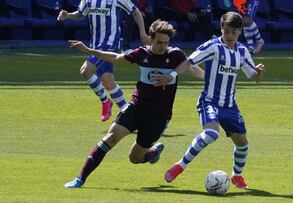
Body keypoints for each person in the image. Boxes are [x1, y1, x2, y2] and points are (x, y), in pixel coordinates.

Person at [63, 19, 205, 188]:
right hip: (135, 108)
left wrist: (212, 79)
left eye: (166, 43)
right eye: (159, 42)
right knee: (110, 138)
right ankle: (80, 179)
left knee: (134, 158)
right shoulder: (141, 54)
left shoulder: (175, 55)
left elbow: (192, 69)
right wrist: (88, 50)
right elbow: (116, 58)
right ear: (150, 39)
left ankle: (151, 153)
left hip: (158, 117)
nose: (163, 46)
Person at [160, 11, 265, 189]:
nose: (230, 36)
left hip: (230, 105)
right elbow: (189, 61)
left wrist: (259, 73)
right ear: (221, 29)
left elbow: (253, 77)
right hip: (209, 101)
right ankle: (180, 166)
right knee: (211, 134)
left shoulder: (242, 51)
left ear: (240, 31)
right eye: (227, 31)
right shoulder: (213, 46)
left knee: (243, 144)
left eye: (234, 32)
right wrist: (170, 76)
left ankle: (237, 176)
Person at [57, 0, 149, 122]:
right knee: (108, 81)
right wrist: (68, 15)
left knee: (86, 70)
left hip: (110, 44)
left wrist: (142, 33)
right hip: (95, 45)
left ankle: (105, 101)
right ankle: (130, 115)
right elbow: (81, 14)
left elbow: (135, 11)